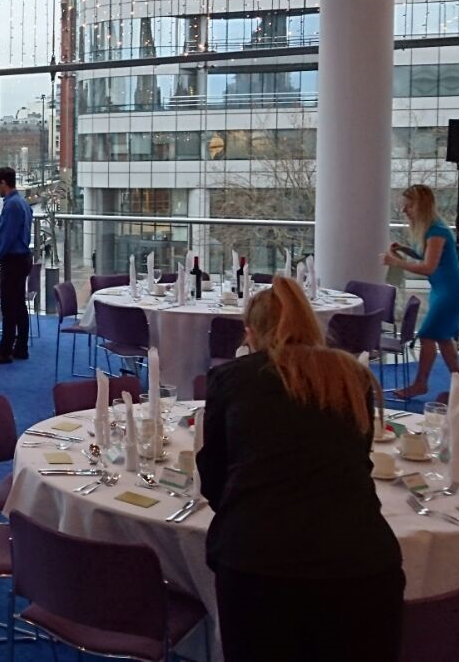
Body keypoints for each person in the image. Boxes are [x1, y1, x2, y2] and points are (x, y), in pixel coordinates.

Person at [197, 276, 403, 662]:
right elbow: (357, 462)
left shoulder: (232, 379)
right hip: (362, 562)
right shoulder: (351, 376)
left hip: (256, 564)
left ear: (249, 335)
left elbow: (215, 481)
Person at [382, 183, 459, 399]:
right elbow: (428, 258)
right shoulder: (432, 229)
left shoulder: (436, 232)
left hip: (451, 291)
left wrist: (396, 261)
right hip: (445, 289)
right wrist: (404, 250)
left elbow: (428, 268)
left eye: (409, 206)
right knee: (443, 337)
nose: (405, 211)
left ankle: (420, 383)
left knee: (427, 335)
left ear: (421, 206)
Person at [0, 167, 32, 364]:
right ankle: (21, 348)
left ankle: (4, 351)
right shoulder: (23, 203)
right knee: (19, 305)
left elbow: (7, 235)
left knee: (9, 307)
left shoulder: (11, 205)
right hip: (24, 258)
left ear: (4, 182)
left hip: (13, 259)